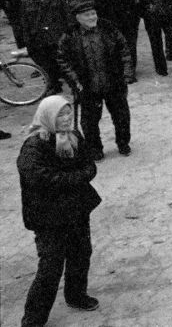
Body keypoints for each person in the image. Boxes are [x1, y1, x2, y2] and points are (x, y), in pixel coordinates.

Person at [17, 96, 103, 325]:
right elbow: (38, 177)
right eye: (61, 115)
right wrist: (76, 178)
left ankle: (75, 295)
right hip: (48, 217)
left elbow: (89, 165)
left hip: (75, 210)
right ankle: (33, 320)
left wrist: (79, 176)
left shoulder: (74, 137)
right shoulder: (34, 145)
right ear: (48, 117)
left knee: (81, 253)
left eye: (69, 113)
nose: (67, 119)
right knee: (50, 267)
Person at [57, 1, 135, 160]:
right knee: (89, 122)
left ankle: (123, 143)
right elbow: (61, 59)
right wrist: (74, 79)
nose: (93, 17)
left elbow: (124, 51)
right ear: (78, 18)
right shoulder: (69, 35)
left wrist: (127, 73)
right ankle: (95, 149)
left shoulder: (109, 29)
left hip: (114, 82)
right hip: (87, 86)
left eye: (94, 13)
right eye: (88, 15)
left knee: (122, 117)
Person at [19, 0, 69, 94]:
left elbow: (66, 16)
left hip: (57, 36)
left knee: (64, 64)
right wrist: (27, 42)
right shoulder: (27, 1)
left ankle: (73, 85)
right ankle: (53, 85)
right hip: (39, 39)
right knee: (46, 66)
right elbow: (25, 23)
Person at [94, 0, 144, 71]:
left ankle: (131, 71)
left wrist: (136, 15)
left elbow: (141, 1)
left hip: (130, 22)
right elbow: (99, 6)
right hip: (113, 22)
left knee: (130, 46)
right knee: (116, 47)